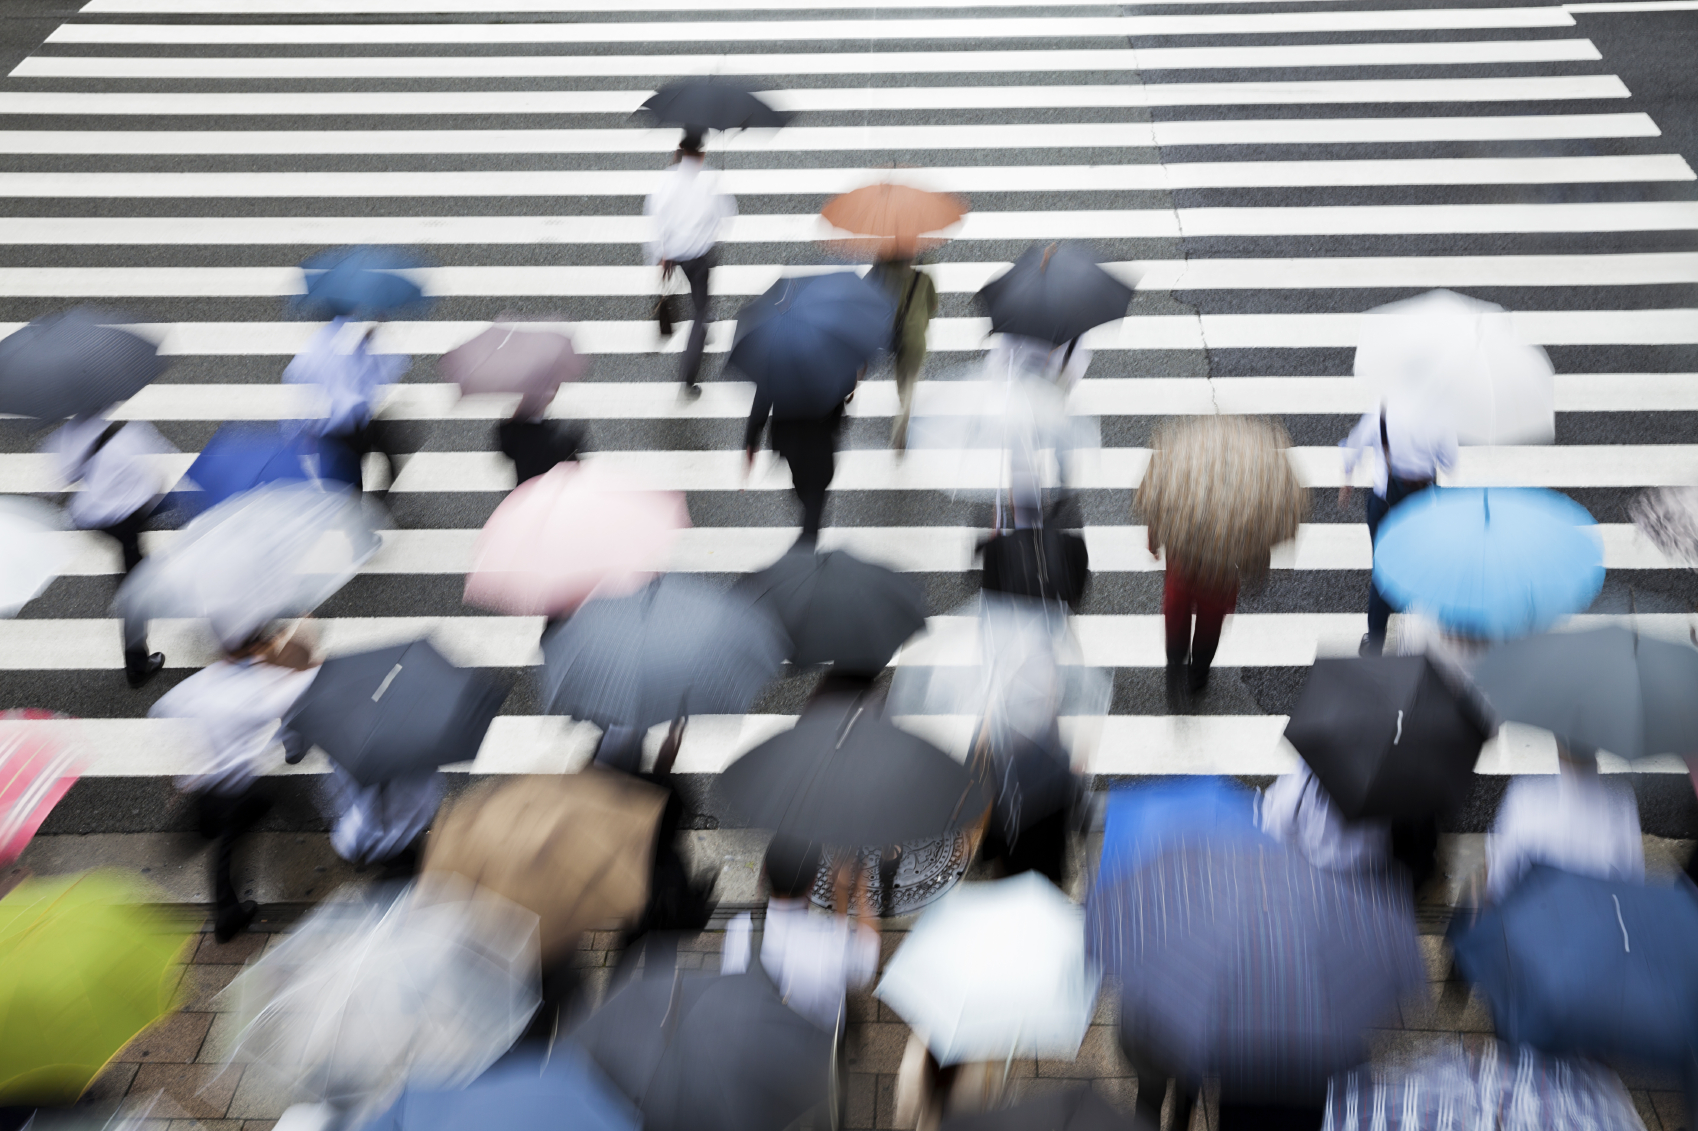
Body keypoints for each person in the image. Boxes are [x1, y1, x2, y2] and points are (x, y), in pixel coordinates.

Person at [151, 620, 320, 940]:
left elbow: (163, 709)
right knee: (242, 829)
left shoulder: (206, 681)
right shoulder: (257, 689)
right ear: (253, 647)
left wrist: (175, 781)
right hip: (239, 788)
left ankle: (206, 843)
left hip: (206, 785)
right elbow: (301, 686)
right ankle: (228, 915)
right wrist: (309, 656)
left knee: (225, 834)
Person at [46, 411, 178, 688]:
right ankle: (137, 666)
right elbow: (156, 482)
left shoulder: (69, 434)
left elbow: (65, 476)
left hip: (90, 517)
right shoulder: (130, 435)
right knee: (136, 586)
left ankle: (138, 584)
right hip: (127, 519)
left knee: (135, 568)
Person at [721, 832, 880, 1033]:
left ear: (764, 872)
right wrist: (857, 892)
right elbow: (865, 963)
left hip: (753, 1038)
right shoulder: (829, 941)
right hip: (815, 1045)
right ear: (813, 882)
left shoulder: (738, 929)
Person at [1340, 400, 1456, 656]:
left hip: (1385, 504)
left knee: (1383, 571)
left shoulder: (1381, 413)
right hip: (1421, 505)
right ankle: (1427, 638)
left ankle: (1375, 642)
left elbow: (1353, 447)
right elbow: (1449, 462)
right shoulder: (1439, 417)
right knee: (1426, 568)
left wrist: (1347, 479)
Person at [644, 128, 736, 399]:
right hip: (701, 255)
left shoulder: (666, 181)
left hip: (675, 256)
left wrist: (660, 255)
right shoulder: (709, 181)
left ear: (681, 150)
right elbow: (727, 215)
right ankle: (688, 378)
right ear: (702, 153)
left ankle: (703, 321)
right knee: (700, 309)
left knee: (698, 301)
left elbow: (656, 218)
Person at [284, 318, 408, 494]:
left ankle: (360, 501)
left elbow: (296, 376)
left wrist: (301, 426)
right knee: (354, 481)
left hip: (341, 428)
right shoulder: (343, 350)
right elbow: (395, 365)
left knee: (345, 483)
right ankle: (372, 501)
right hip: (351, 426)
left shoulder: (319, 348)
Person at [746, 381, 852, 543]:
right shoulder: (830, 364)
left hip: (791, 432)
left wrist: (752, 438)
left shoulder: (780, 364)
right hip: (820, 429)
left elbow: (764, 394)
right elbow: (847, 383)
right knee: (816, 487)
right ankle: (809, 534)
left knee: (807, 485)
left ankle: (808, 534)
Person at [868, 256, 938, 451]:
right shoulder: (924, 279)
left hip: (898, 339)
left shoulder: (891, 280)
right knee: (909, 385)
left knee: (902, 384)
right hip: (916, 340)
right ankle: (903, 420)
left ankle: (901, 426)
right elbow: (933, 307)